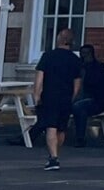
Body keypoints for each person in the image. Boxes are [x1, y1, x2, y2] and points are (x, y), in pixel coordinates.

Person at [33, 28, 85, 171]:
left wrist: (36, 95)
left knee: (51, 127)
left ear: (60, 40)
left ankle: (54, 158)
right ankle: (55, 154)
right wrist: (72, 97)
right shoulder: (75, 60)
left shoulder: (48, 56)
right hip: (66, 97)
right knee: (61, 129)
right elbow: (77, 83)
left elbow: (39, 77)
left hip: (50, 96)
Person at [71, 45, 104, 146]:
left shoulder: (98, 69)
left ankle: (80, 138)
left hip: (96, 101)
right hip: (82, 99)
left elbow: (99, 90)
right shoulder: (79, 67)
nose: (83, 56)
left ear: (91, 54)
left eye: (86, 54)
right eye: (82, 54)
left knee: (79, 107)